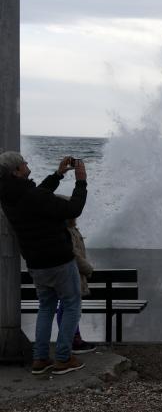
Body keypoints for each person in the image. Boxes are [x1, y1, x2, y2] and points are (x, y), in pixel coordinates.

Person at [0, 151, 88, 375]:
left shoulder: (10, 195)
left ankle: (40, 358)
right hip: (58, 259)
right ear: (16, 171)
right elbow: (73, 209)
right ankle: (63, 358)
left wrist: (58, 174)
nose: (27, 163)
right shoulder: (30, 195)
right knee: (71, 304)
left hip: (36, 262)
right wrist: (81, 182)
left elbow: (38, 196)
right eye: (23, 163)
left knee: (46, 307)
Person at [55, 195, 95, 354]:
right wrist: (88, 269)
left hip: (66, 275)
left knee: (67, 308)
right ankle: (72, 340)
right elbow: (74, 255)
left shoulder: (65, 229)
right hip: (72, 275)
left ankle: (71, 338)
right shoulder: (67, 231)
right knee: (70, 308)